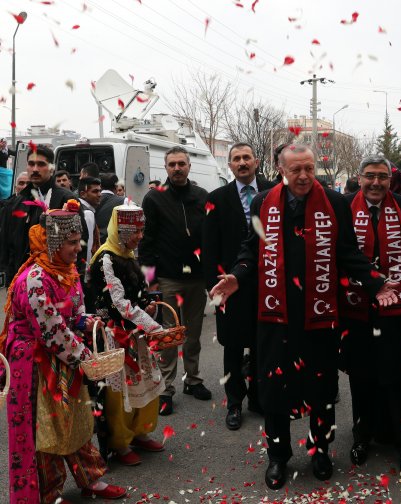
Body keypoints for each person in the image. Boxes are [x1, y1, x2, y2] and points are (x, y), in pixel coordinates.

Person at [209, 144, 399, 490]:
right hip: (275, 314)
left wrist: (375, 283)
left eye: (309, 169)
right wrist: (238, 274)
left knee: (322, 387)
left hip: (320, 314)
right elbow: (251, 247)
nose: (303, 176)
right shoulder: (262, 202)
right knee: (273, 388)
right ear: (281, 169)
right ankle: (278, 456)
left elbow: (348, 254)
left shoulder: (335, 203)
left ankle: (320, 449)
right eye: (295, 169)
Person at [1, 201, 127, 503]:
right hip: (33, 363)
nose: (77, 248)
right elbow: (52, 333)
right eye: (71, 243)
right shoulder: (35, 280)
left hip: (64, 355)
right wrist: (87, 358)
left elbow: (73, 315)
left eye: (77, 241)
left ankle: (91, 479)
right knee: (45, 431)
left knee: (78, 419)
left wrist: (89, 323)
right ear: (55, 242)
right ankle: (48, 492)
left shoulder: (68, 270)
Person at [340, 155, 401, 477]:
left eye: (382, 177)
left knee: (395, 381)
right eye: (369, 176)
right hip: (355, 310)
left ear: (391, 180)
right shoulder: (344, 206)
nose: (376, 183)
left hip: (397, 310)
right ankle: (362, 436)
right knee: (360, 378)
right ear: (359, 177)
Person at [202, 142, 273, 431]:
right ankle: (234, 402)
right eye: (236, 159)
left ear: (256, 162)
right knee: (232, 346)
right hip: (228, 284)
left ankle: (259, 397)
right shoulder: (216, 198)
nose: (242, 163)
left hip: (267, 283)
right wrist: (213, 286)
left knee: (262, 344)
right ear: (229, 166)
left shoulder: (274, 192)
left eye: (246, 158)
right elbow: (208, 247)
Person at [89, 204, 166, 467]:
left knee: (145, 382)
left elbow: (138, 291)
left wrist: (148, 305)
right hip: (115, 334)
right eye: (135, 231)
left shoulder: (129, 254)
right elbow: (119, 303)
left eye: (142, 231)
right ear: (121, 231)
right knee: (118, 391)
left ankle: (140, 431)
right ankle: (120, 442)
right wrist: (152, 324)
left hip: (136, 331)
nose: (140, 237)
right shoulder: (105, 259)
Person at [139, 146, 211, 416]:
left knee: (193, 334)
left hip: (196, 278)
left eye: (182, 163)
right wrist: (150, 281)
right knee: (168, 336)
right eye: (172, 164)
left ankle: (193, 380)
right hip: (167, 279)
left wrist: (210, 275)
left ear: (189, 166)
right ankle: (166, 389)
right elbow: (146, 242)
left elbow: (208, 238)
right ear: (166, 168)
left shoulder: (202, 196)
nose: (177, 168)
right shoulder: (154, 198)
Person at [0, 144, 76, 281]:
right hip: (20, 282)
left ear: (52, 169)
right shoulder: (15, 203)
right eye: (31, 164)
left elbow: (76, 244)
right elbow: (7, 245)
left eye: (41, 164)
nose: (35, 169)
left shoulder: (65, 200)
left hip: (55, 282)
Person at [77, 177, 102, 283]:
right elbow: (88, 249)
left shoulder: (81, 208)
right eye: (95, 191)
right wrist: (87, 276)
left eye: (100, 191)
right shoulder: (87, 214)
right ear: (83, 194)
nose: (100, 194)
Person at [96, 173, 125, 243]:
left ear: (100, 186)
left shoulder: (91, 199)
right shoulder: (123, 201)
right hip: (113, 245)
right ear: (116, 187)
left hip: (93, 244)